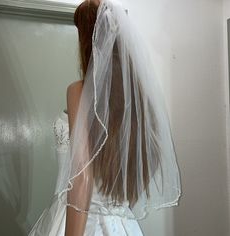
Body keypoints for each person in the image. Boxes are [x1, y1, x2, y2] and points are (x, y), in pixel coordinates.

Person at [28, 0, 181, 235]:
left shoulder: (79, 91)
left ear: (88, 38)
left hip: (79, 221)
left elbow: (81, 176)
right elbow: (146, 163)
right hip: (122, 224)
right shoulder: (138, 101)